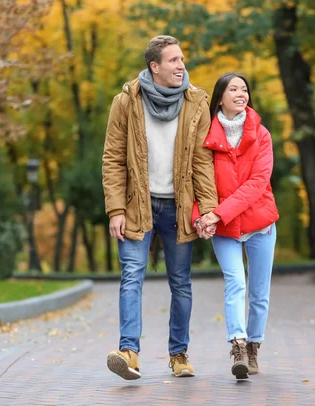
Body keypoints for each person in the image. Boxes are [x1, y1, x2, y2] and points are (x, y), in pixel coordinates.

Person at [102, 35, 218, 380]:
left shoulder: (196, 102)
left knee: (181, 282)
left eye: (182, 59)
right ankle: (129, 352)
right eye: (173, 61)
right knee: (131, 276)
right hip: (138, 205)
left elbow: (202, 161)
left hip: (178, 208)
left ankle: (178, 355)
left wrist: (208, 209)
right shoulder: (126, 102)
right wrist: (115, 209)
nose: (181, 66)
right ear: (155, 66)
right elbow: (112, 159)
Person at [193, 72, 279, 380]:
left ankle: (254, 347)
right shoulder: (207, 135)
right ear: (220, 97)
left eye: (244, 88)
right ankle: (238, 345)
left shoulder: (262, 134)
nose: (240, 93)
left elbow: (258, 183)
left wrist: (216, 214)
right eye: (234, 89)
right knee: (235, 283)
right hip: (225, 229)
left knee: (258, 292)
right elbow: (199, 181)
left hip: (259, 223)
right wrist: (199, 217)